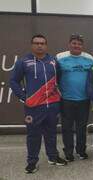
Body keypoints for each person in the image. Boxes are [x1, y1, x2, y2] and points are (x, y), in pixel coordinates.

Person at [10, 34, 67, 174]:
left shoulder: (53, 60)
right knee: (33, 135)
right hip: (33, 107)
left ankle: (53, 157)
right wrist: (24, 98)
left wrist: (57, 95)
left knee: (51, 134)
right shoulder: (23, 61)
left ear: (46, 45)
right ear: (32, 45)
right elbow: (13, 81)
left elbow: (58, 78)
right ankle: (31, 162)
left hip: (52, 106)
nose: (39, 45)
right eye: (36, 43)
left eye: (42, 43)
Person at [56, 34, 93, 161]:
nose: (76, 46)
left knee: (81, 127)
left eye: (79, 44)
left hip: (84, 99)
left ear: (82, 46)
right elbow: (54, 77)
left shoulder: (89, 58)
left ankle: (81, 151)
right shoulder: (60, 57)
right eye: (74, 43)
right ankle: (68, 152)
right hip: (66, 99)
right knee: (67, 128)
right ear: (69, 44)